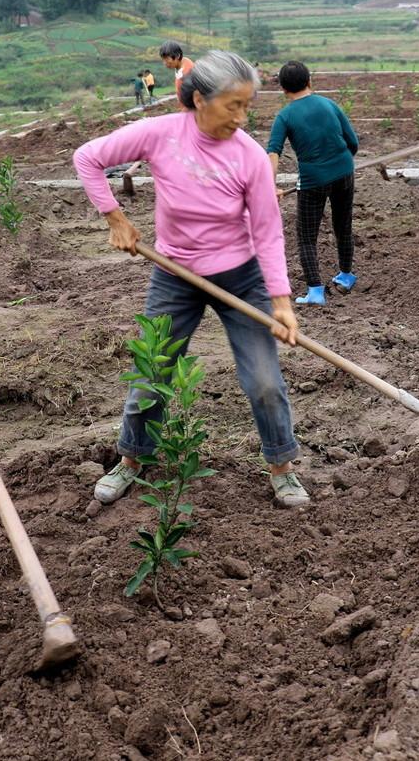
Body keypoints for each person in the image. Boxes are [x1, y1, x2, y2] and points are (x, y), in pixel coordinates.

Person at [74, 50, 310, 509]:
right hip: (175, 275)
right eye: (232, 106)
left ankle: (282, 467)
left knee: (264, 380)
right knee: (151, 374)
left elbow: (267, 232)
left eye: (247, 107)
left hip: (241, 279)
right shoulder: (162, 134)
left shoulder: (251, 159)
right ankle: (132, 460)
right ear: (199, 99)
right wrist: (115, 219)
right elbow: (87, 158)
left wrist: (281, 302)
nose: (242, 119)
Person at [266, 61, 359, 306]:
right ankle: (347, 275)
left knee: (307, 237)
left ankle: (315, 291)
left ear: (284, 90)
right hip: (344, 173)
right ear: (310, 81)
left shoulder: (285, 115)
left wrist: (270, 186)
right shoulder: (329, 104)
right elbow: (353, 143)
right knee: (343, 225)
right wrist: (341, 162)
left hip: (312, 181)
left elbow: (273, 152)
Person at [158, 41, 195, 107]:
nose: (165, 63)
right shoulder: (184, 62)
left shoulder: (186, 74)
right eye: (163, 59)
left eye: (167, 59)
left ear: (177, 56)